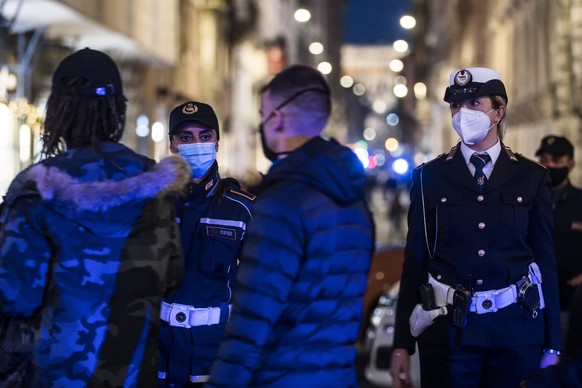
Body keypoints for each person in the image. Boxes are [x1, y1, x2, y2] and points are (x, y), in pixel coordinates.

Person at [0, 48, 190, 386]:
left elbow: (16, 295)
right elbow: (172, 274)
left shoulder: (36, 187)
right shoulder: (157, 185)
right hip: (134, 374)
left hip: (54, 375)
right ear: (117, 110)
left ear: (57, 110)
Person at [389, 67, 561, 388]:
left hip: (516, 334)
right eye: (456, 106)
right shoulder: (428, 177)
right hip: (448, 336)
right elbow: (415, 262)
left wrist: (553, 344)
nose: (462, 113)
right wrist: (402, 342)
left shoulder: (531, 176)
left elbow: (545, 263)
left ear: (498, 111)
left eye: (474, 104)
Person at [206, 65, 375, 387]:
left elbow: (252, 319)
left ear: (278, 119)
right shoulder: (356, 203)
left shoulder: (282, 202)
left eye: (263, 114)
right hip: (338, 377)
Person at [157, 101, 256, 386]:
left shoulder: (241, 208)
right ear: (172, 145)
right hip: (158, 352)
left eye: (204, 136)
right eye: (185, 137)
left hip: (213, 356)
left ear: (217, 142)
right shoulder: (153, 204)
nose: (196, 144)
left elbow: (257, 290)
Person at [536, 134, 582, 357]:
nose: (550, 165)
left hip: (570, 304)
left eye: (556, 159)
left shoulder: (579, 201)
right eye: (545, 158)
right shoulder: (529, 200)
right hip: (534, 304)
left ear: (570, 164)